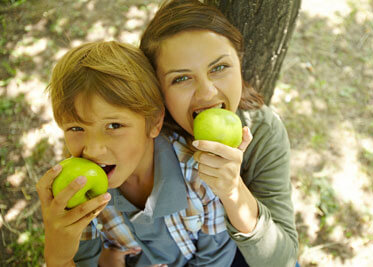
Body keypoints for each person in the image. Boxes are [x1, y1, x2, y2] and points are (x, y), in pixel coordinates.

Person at [36, 40, 237, 267]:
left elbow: (217, 260)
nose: (92, 149)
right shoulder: (75, 194)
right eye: (76, 128)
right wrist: (59, 256)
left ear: (154, 122)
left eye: (113, 126)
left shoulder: (200, 176)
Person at [140, 0, 299, 266]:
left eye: (219, 67)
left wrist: (233, 190)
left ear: (239, 62)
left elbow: (282, 259)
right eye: (181, 78)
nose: (207, 93)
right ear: (158, 89)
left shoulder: (263, 131)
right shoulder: (151, 138)